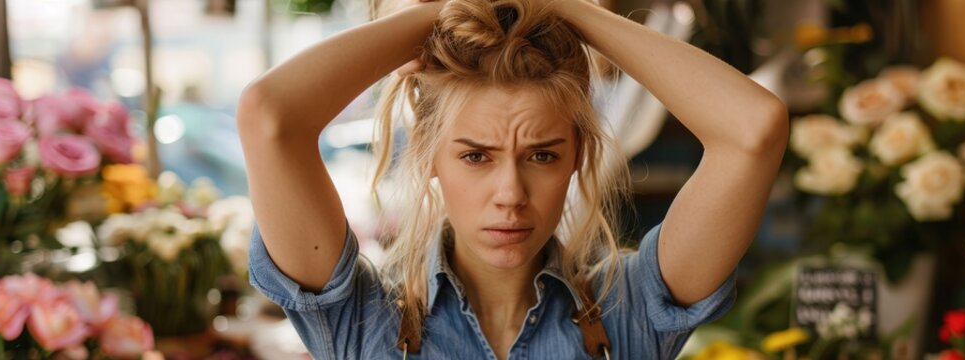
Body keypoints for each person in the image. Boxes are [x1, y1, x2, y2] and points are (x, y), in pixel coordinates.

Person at [236, 0, 787, 358]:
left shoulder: (634, 311)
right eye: (476, 157)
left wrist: (564, 11)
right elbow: (268, 116)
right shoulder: (360, 323)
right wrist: (440, 15)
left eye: (542, 156)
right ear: (429, 158)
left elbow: (754, 129)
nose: (510, 195)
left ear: (577, 155)